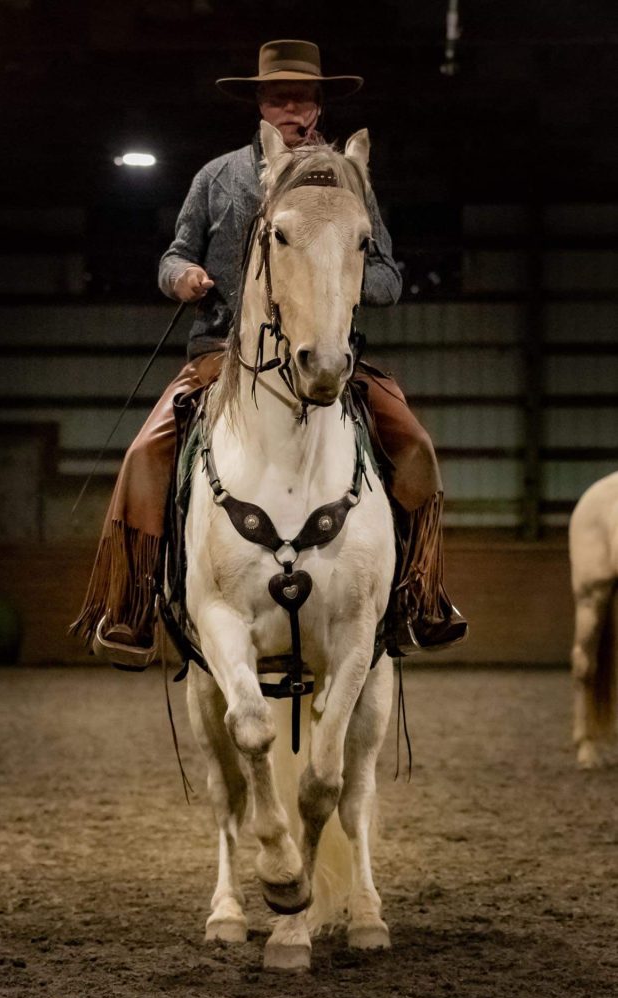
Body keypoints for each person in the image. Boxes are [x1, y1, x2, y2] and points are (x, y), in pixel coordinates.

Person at [71, 39, 468, 670]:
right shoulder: (218, 176)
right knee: (144, 453)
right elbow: (173, 255)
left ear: (319, 103)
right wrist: (181, 278)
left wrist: (332, 271)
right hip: (221, 357)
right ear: (259, 104)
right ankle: (132, 606)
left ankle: (421, 595)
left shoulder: (348, 182)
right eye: (278, 95)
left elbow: (389, 277)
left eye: (303, 95)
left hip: (326, 354)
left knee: (415, 442)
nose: (292, 107)